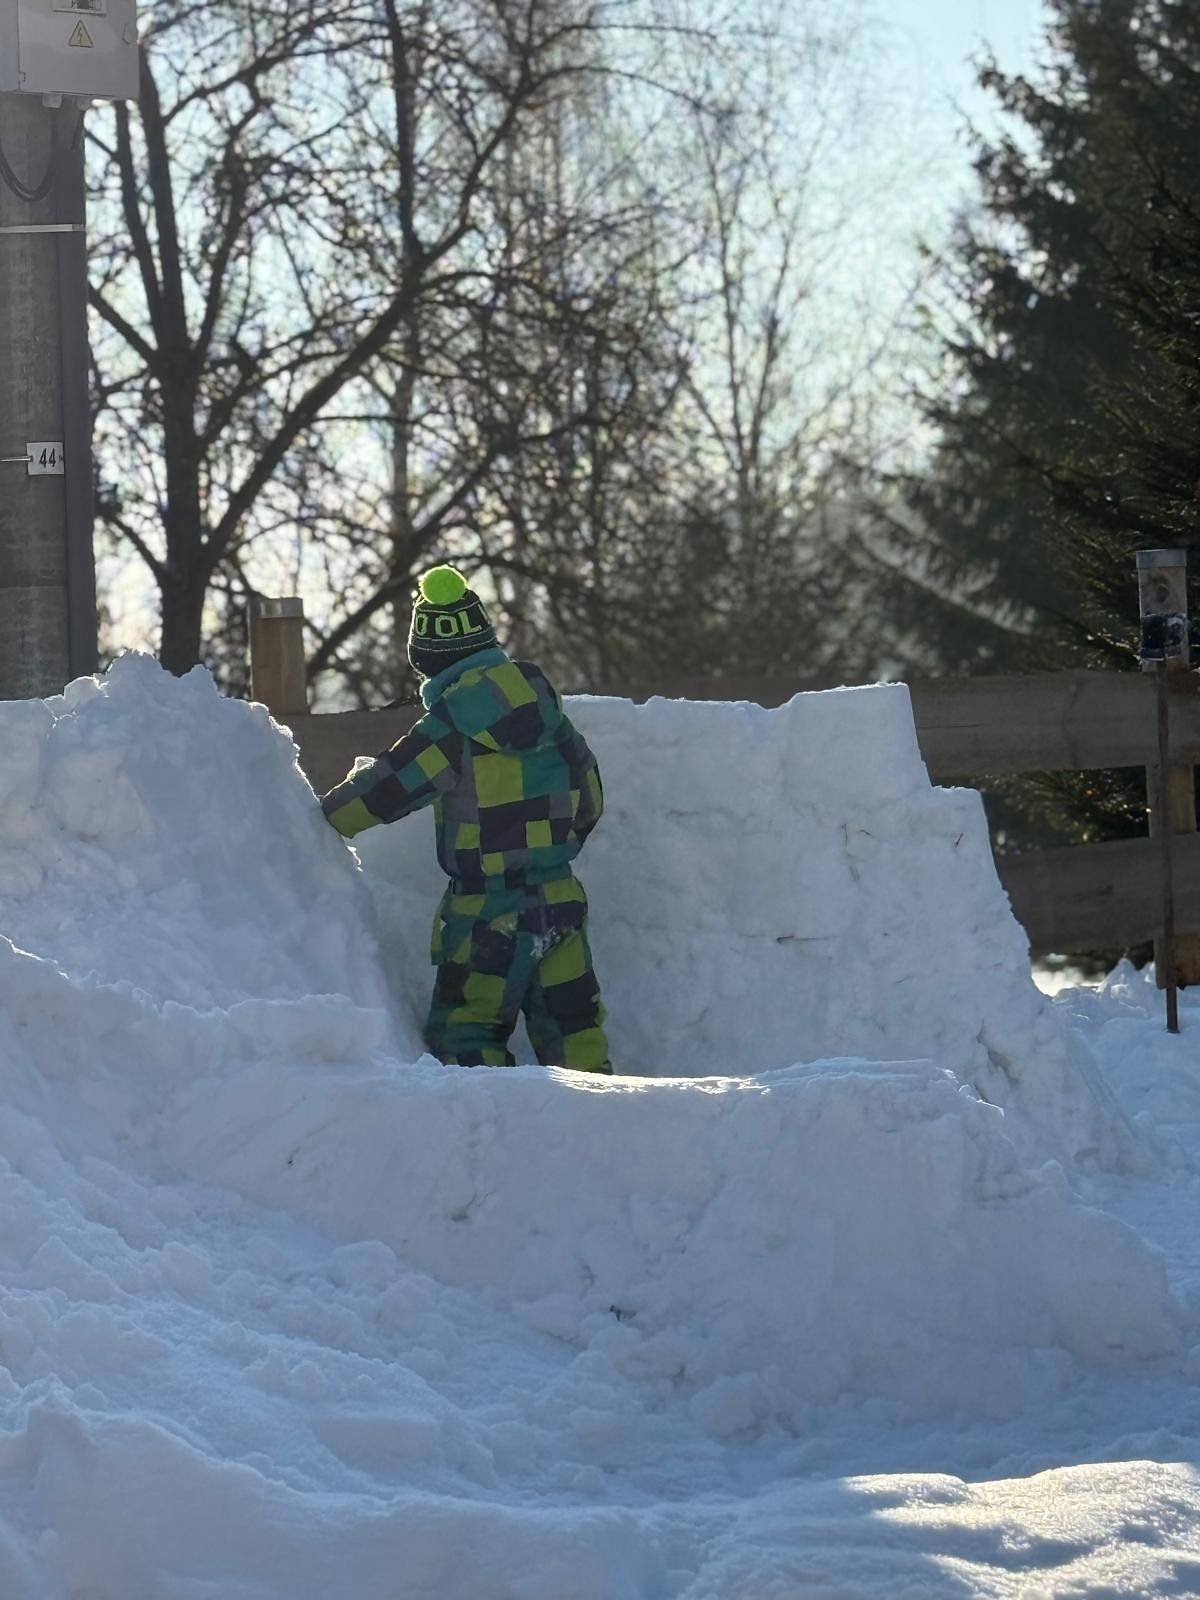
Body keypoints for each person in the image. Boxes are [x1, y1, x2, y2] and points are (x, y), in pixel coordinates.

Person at [320, 565, 612, 1074]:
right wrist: (548, 853)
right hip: (561, 899)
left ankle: (492, 1148)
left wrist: (315, 818)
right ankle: (610, 1132)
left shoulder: (451, 727)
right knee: (575, 1029)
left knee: (469, 1035)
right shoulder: (551, 718)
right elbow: (590, 797)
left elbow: (386, 790)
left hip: (487, 913)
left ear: (432, 662)